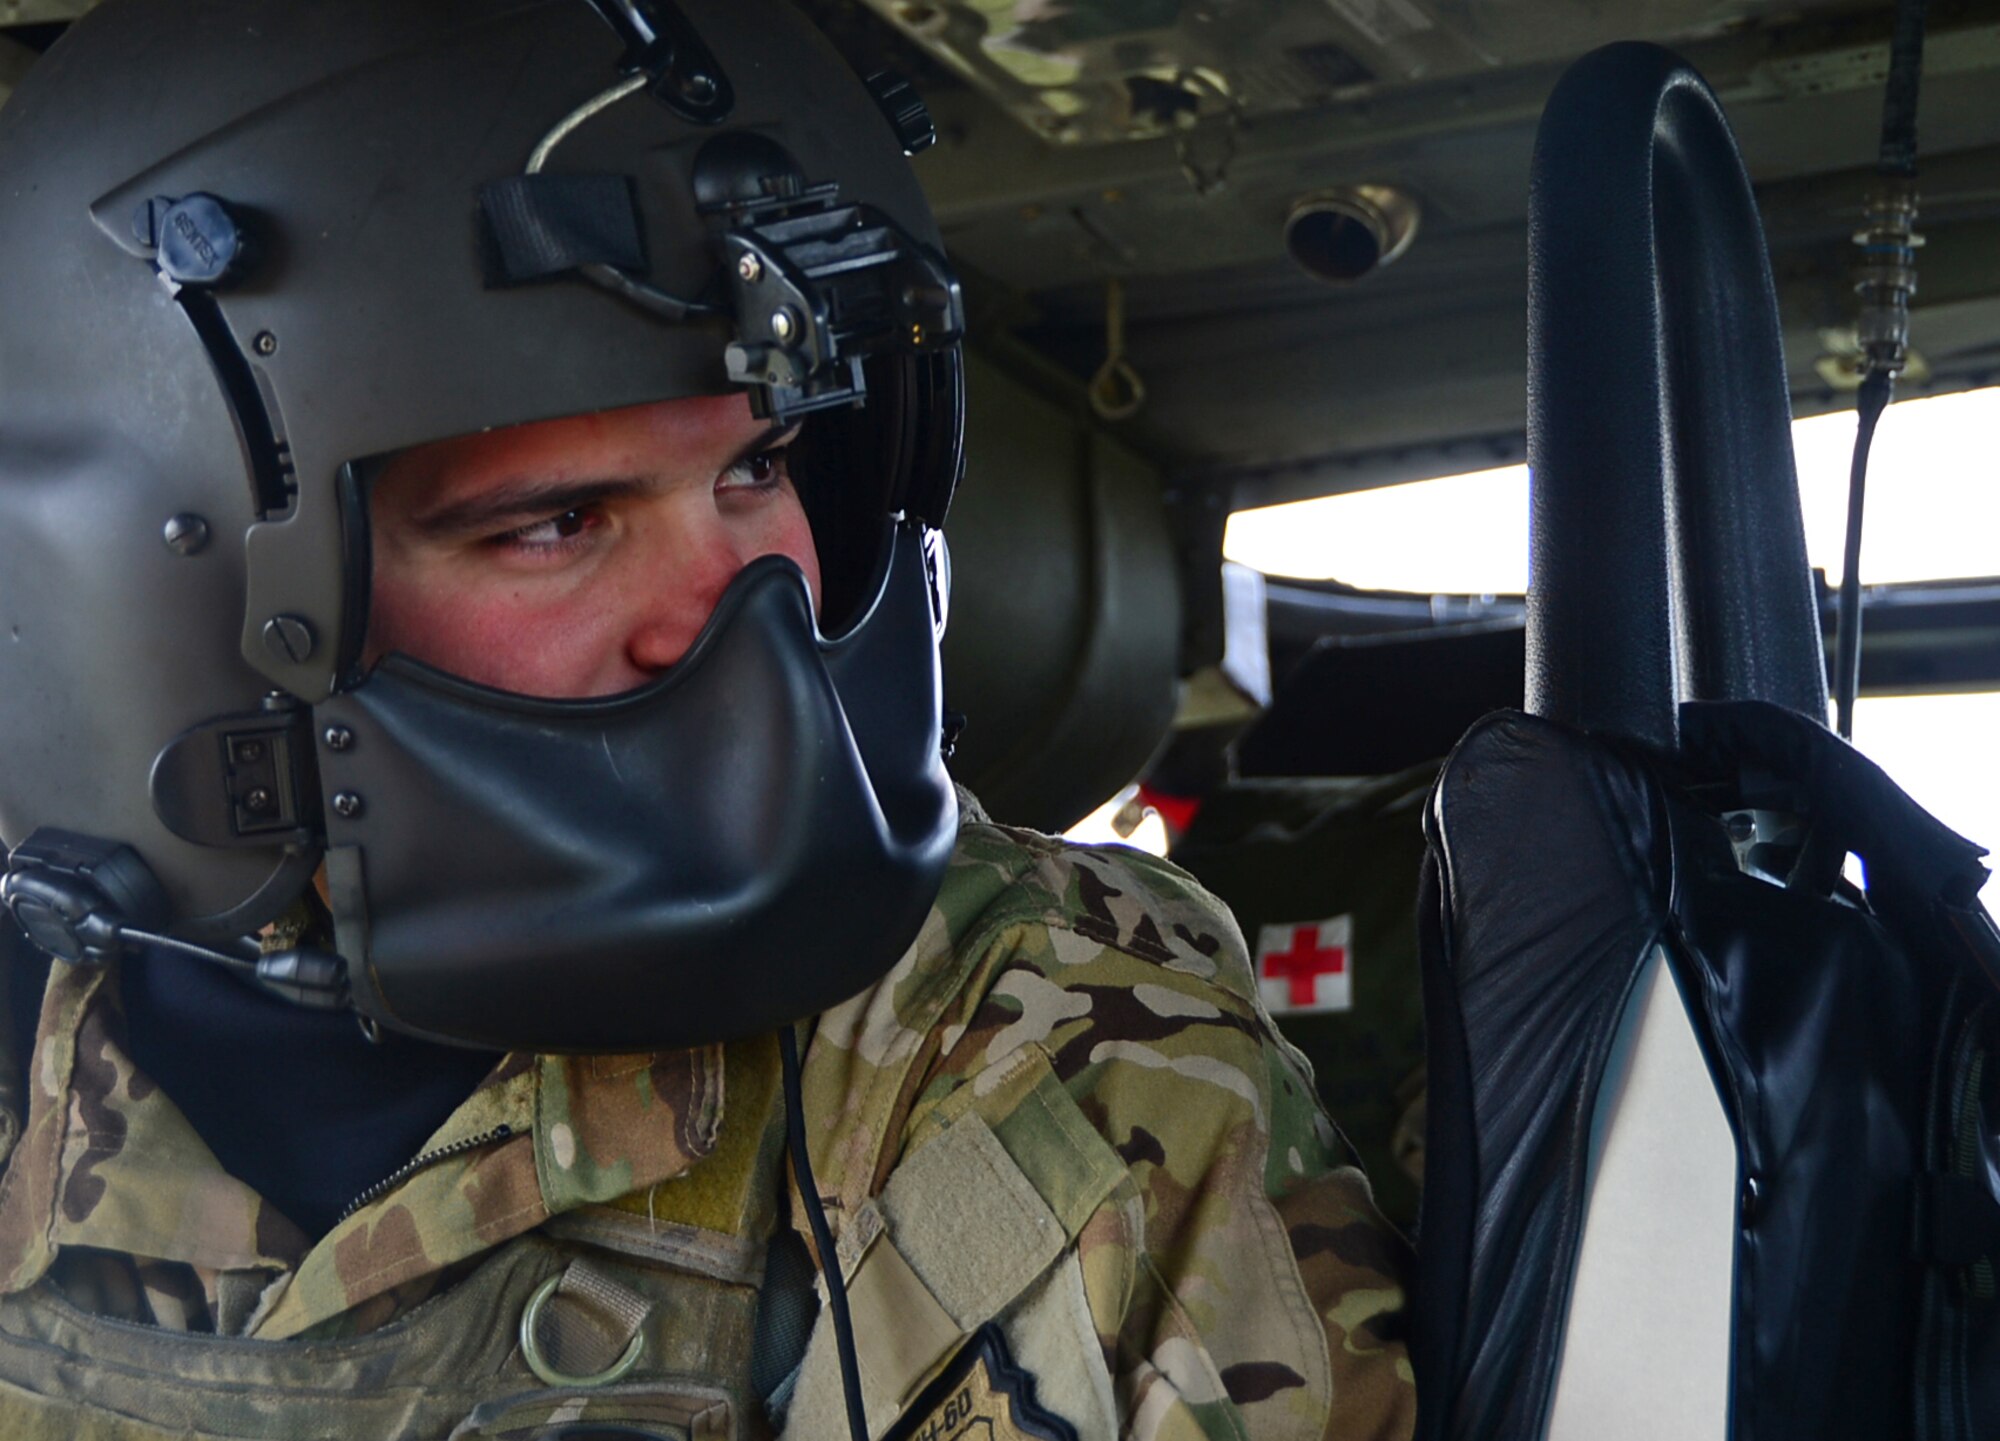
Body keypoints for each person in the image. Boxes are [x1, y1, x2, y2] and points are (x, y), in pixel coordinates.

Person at [0, 3, 1416, 1438]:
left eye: (764, 465)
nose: (740, 605)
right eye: (557, 522)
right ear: (164, 616)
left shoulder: (1046, 1038)